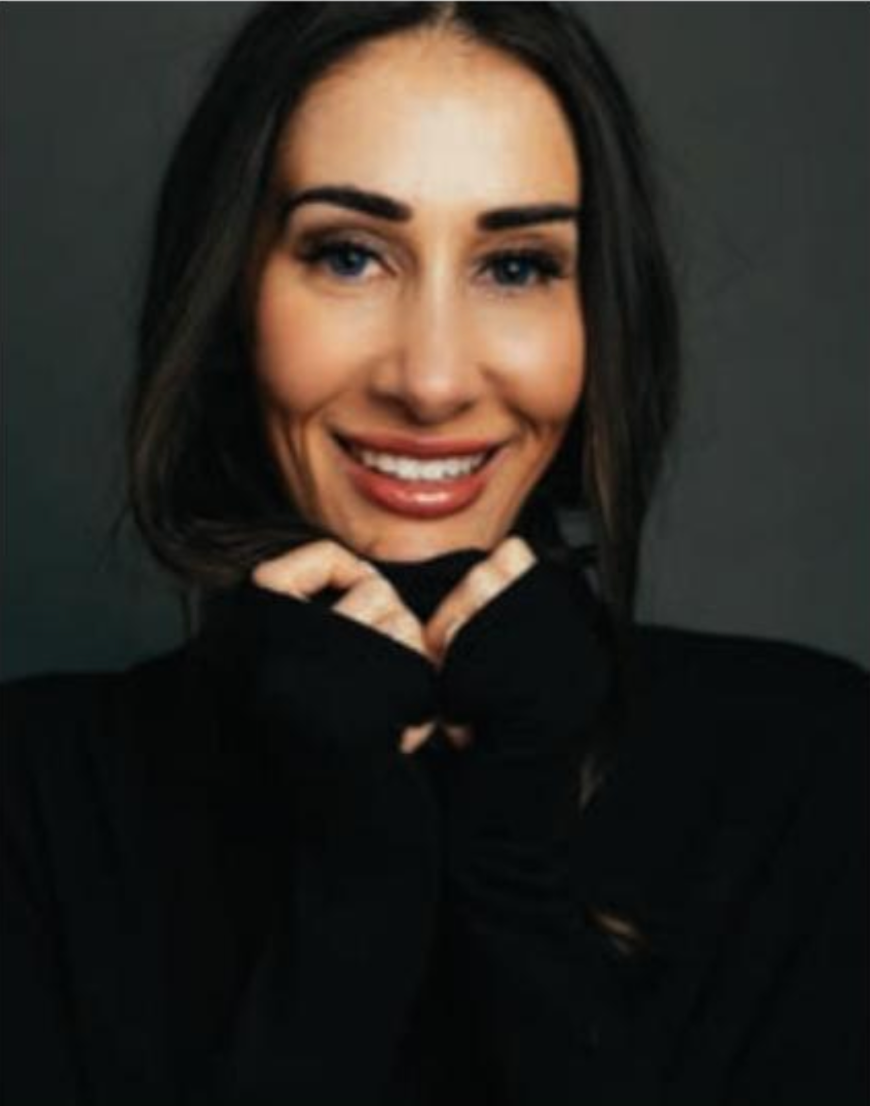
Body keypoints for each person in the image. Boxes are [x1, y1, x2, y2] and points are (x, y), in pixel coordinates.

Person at [1, 4, 866, 1105]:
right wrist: (357, 883)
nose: (433, 378)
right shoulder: (33, 801)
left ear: (597, 321)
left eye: (515, 266)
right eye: (350, 254)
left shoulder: (812, 771)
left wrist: (508, 868)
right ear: (230, 298)